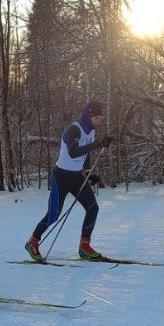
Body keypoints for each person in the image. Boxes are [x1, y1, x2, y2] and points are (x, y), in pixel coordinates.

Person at [25, 99, 114, 262]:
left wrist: (88, 172)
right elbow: (73, 152)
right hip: (61, 177)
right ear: (89, 116)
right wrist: (98, 144)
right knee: (53, 215)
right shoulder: (73, 129)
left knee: (93, 208)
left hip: (76, 177)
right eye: (97, 118)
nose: (99, 120)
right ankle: (33, 241)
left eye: (101, 117)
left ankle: (84, 246)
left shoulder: (92, 131)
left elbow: (85, 153)